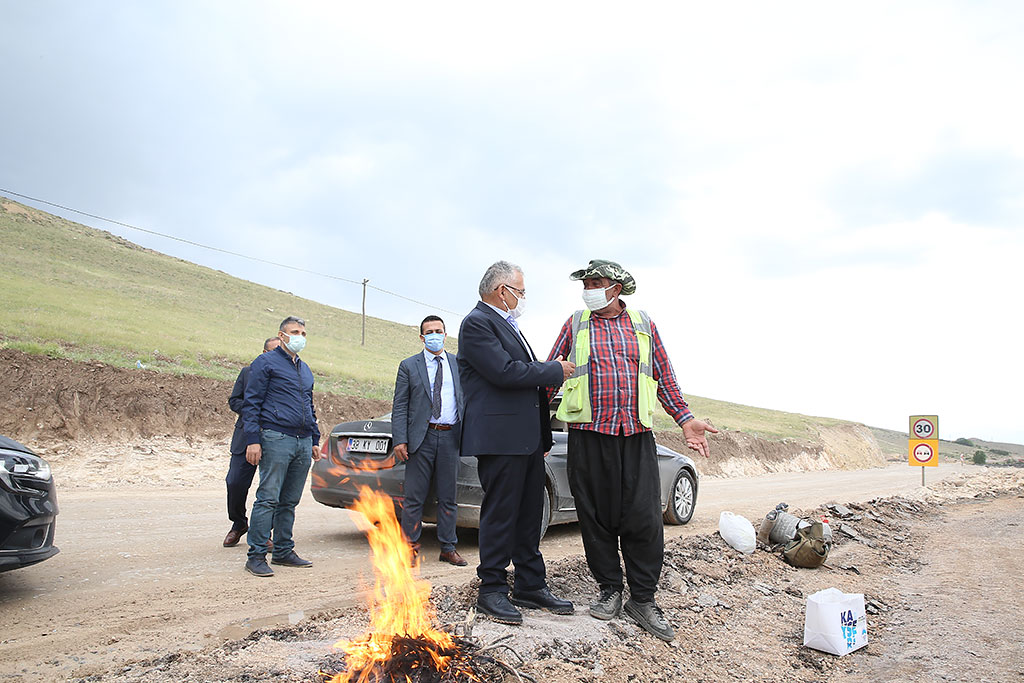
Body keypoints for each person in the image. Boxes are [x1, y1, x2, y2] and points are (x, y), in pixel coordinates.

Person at [546, 259, 718, 641]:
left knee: (643, 519)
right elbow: (550, 374)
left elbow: (664, 374)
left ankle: (642, 598)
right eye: (586, 282)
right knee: (595, 518)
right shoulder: (575, 324)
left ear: (617, 288)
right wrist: (534, 427)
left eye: (597, 282)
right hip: (588, 436)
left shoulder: (643, 325)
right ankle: (609, 589)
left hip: (636, 435)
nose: (589, 288)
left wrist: (685, 418)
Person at [458, 260, 576, 625]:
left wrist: (542, 435)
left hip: (525, 441)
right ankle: (491, 589)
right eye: (520, 291)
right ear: (501, 291)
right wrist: (554, 370)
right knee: (500, 514)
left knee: (529, 514)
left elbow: (525, 386)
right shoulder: (477, 323)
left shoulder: (507, 325)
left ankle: (530, 583)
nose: (523, 298)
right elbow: (504, 373)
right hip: (501, 439)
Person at [241, 316, 322, 577]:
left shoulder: (305, 369)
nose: (300, 336)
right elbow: (250, 403)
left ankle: (283, 550)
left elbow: (309, 406)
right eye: (295, 332)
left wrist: (315, 439)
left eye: (303, 332)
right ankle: (255, 555)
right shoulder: (265, 363)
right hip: (275, 437)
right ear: (282, 335)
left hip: (303, 440)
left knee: (289, 500)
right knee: (268, 498)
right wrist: (252, 439)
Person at [392, 315, 467, 567]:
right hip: (420, 439)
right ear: (422, 337)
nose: (435, 335)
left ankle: (448, 547)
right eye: (429, 331)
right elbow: (400, 405)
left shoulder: (459, 364)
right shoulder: (409, 366)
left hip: (450, 437)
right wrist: (400, 440)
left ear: (445, 335)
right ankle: (409, 548)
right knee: (414, 497)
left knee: (448, 497)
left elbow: (467, 399)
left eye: (439, 330)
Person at [223, 336, 280, 548]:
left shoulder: (286, 377)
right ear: (264, 353)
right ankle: (238, 524)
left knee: (272, 489)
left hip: (275, 440)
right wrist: (254, 411)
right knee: (235, 482)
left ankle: (263, 531)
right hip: (245, 437)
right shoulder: (248, 372)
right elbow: (234, 400)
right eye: (273, 351)